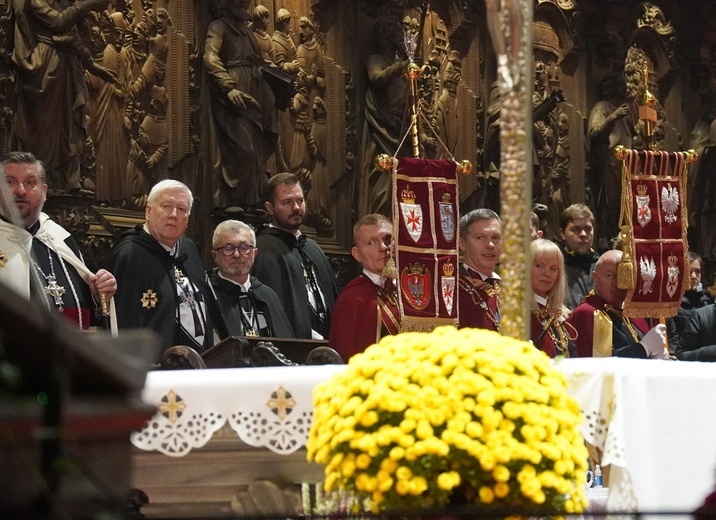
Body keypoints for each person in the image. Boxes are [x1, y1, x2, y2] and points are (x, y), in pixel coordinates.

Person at [105, 179, 228, 356]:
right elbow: (123, 323)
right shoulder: (129, 254)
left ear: (187, 219)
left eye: (182, 209)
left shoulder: (188, 249)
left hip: (201, 361)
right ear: (148, 211)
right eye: (166, 206)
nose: (173, 214)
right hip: (155, 367)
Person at [0, 152, 117, 330]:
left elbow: (88, 316)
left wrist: (97, 296)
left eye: (30, 182)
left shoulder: (60, 239)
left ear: (44, 192)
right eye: (10, 182)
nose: (20, 190)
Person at [11, 0, 119, 193]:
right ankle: (42, 182)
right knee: (45, 128)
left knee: (70, 125)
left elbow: (72, 39)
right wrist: (90, 4)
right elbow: (58, 23)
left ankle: (69, 181)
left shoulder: (63, 2)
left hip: (66, 67)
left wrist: (92, 65)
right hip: (46, 69)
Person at [203, 0, 278, 212]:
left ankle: (251, 200)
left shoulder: (246, 32)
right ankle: (233, 199)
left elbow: (259, 61)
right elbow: (210, 57)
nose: (245, 7)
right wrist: (228, 87)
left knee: (256, 148)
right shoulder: (219, 27)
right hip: (234, 97)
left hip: (255, 94)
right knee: (243, 148)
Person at [251, 173, 339, 340]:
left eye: (300, 200)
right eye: (287, 202)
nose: (297, 208)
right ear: (270, 208)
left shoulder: (313, 248)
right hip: (292, 348)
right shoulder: (262, 250)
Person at [567, 249, 668, 358]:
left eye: (622, 276)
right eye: (610, 276)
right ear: (595, 278)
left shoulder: (633, 313)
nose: (616, 283)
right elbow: (599, 364)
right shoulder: (587, 313)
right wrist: (643, 348)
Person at [329, 214, 399, 360]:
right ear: (357, 254)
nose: (383, 248)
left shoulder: (409, 291)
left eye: (387, 240)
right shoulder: (353, 299)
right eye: (371, 243)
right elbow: (348, 356)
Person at [209, 220, 294, 338]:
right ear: (214, 255)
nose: (237, 255)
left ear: (254, 253)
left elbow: (286, 345)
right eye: (228, 248)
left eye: (244, 247)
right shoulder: (207, 295)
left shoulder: (267, 295)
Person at [529, 239, 576, 357]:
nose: (547, 273)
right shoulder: (518, 314)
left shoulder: (561, 314)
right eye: (539, 266)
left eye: (553, 269)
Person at [457, 209, 502, 331]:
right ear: (462, 244)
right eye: (480, 237)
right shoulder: (454, 290)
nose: (490, 245)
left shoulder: (508, 290)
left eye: (496, 237)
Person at [559, 204, 600, 309]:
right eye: (575, 229)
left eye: (588, 229)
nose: (583, 234)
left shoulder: (603, 266)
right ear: (562, 233)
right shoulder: (555, 268)